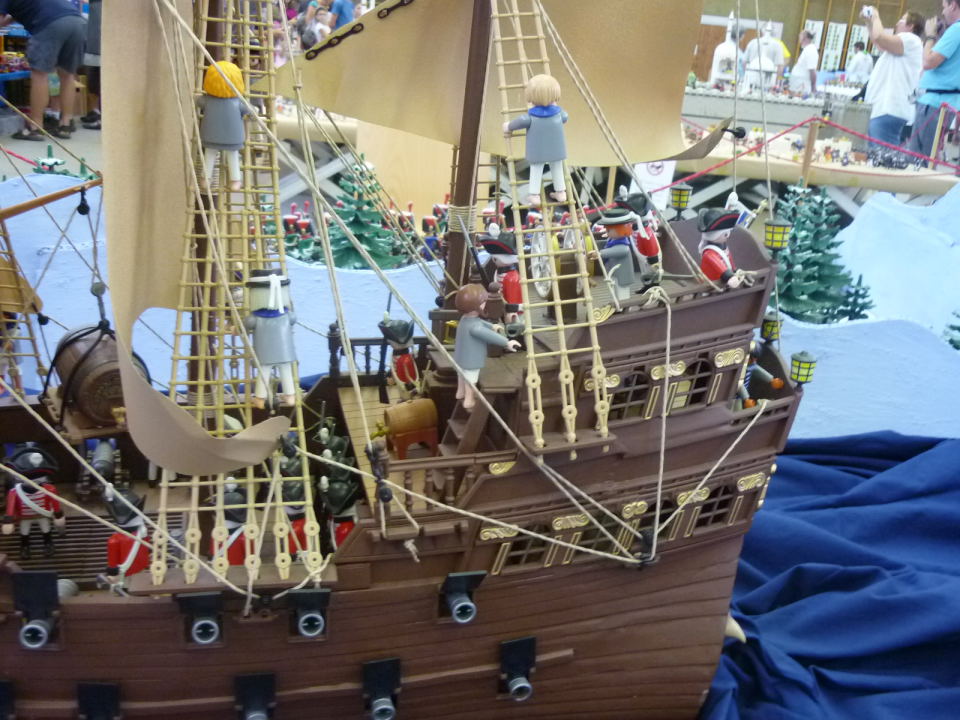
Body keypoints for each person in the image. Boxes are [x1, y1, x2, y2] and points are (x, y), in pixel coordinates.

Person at [0, 0, 86, 140]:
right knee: (67, 75)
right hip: (77, 22)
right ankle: (66, 124)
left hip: (49, 24)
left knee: (39, 75)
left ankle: (35, 127)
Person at [862, 8, 924, 147]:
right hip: (885, 109)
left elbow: (880, 37)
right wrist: (869, 22)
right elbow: (878, 42)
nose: (896, 24)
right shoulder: (901, 45)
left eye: (901, 20)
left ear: (911, 26)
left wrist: (875, 16)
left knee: (882, 155)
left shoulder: (911, 39)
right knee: (877, 153)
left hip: (890, 108)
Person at [909, 0, 960, 157]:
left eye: (944, 7)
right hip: (943, 102)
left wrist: (930, 37)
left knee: (919, 159)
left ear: (953, 5)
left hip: (934, 104)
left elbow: (928, 62)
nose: (942, 12)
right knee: (925, 157)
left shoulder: (956, 30)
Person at [789, 30, 820, 96]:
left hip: (802, 83)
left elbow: (812, 71)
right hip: (797, 81)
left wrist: (813, 87)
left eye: (800, 36)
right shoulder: (806, 49)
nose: (799, 39)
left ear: (804, 37)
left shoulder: (811, 50)